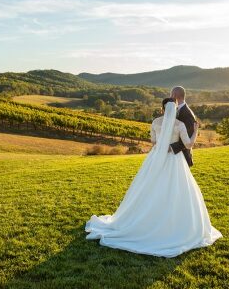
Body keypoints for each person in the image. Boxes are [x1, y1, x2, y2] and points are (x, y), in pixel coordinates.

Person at [84, 97, 222, 257]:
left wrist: (163, 143)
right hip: (174, 161)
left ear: (162, 109)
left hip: (155, 158)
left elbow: (154, 141)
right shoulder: (180, 125)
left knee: (148, 185)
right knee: (175, 189)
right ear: (175, 109)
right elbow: (189, 144)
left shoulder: (155, 122)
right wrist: (196, 130)